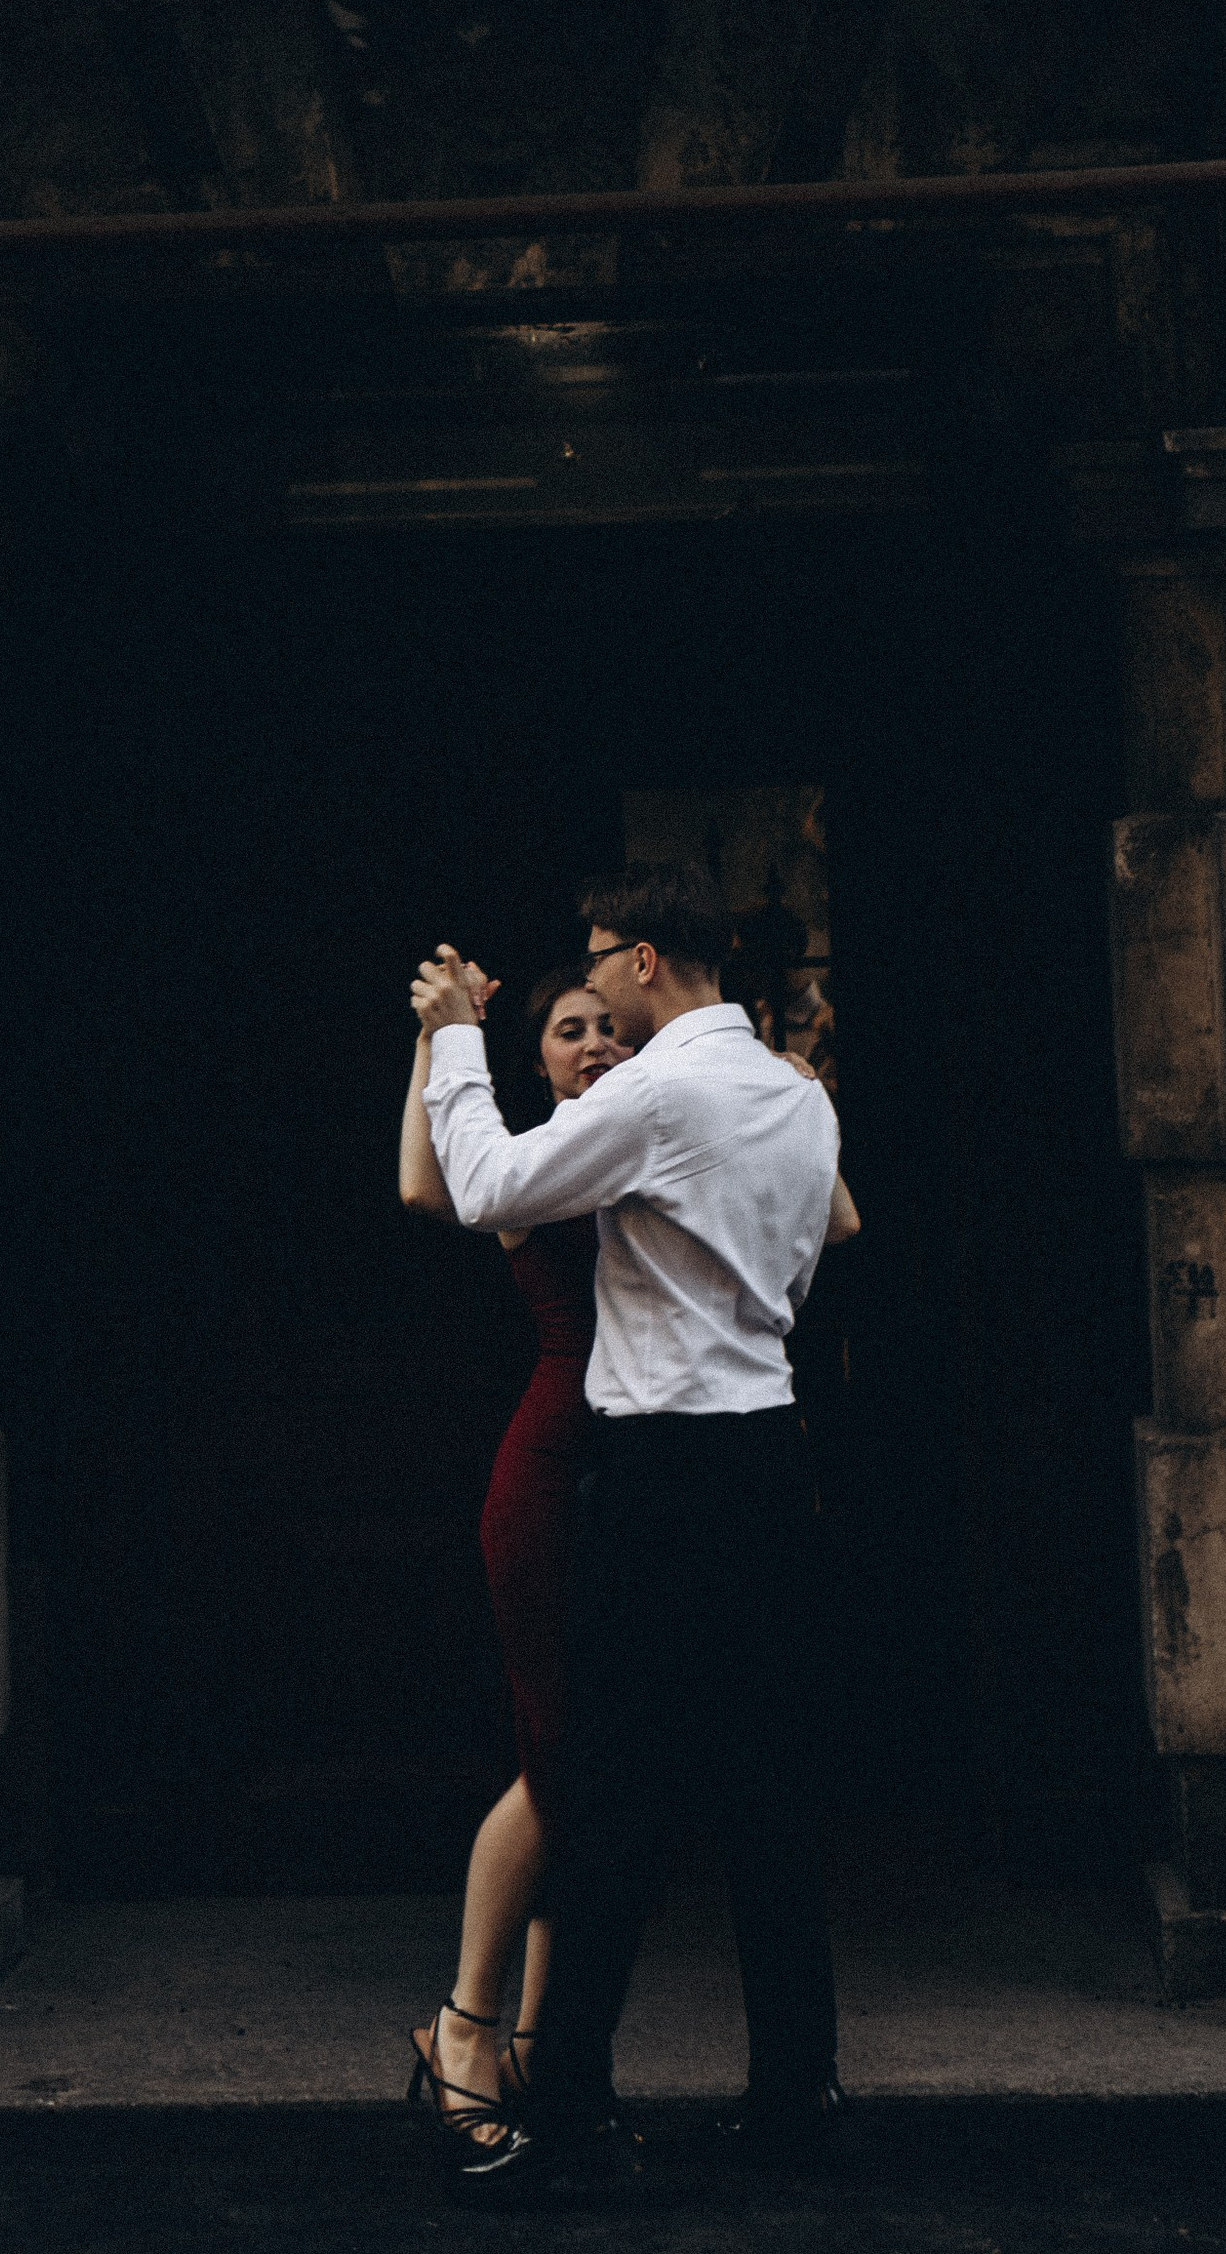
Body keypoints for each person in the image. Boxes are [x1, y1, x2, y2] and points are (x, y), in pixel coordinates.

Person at [413, 862, 846, 2207]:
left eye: (601, 960)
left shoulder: (665, 1088)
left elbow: (484, 1184)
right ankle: (795, 2096)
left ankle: (579, 2100)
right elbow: (814, 1253)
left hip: (664, 1470)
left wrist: (451, 1042)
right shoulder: (794, 1094)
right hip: (772, 1457)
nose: (590, 980)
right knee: (772, 1801)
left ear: (647, 961)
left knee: (607, 1788)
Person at [397, 965, 633, 2146]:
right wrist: (441, 1043)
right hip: (552, 1469)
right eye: (567, 1032)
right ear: (536, 1060)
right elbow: (422, 1183)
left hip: (631, 1472)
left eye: (604, 1028)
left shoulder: (645, 1133)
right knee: (559, 1759)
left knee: (590, 1765)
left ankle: (533, 2042)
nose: (590, 1045)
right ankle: (463, 2023)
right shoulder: (534, 1160)